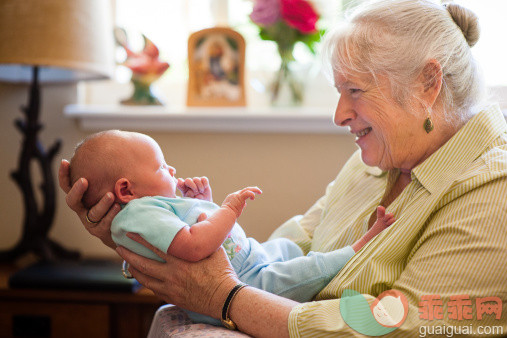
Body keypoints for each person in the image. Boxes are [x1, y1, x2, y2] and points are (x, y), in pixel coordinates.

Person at [60, 0, 507, 336]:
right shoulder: (375, 163)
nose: (339, 115)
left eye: (354, 90)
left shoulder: (493, 191)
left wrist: (224, 299)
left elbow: (395, 326)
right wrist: (140, 228)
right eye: (337, 91)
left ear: (428, 83)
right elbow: (277, 254)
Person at [68, 130, 394, 324]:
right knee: (304, 270)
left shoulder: (148, 209)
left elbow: (191, 228)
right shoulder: (140, 214)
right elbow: (195, 245)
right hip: (243, 281)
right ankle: (356, 250)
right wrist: (228, 208)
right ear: (126, 190)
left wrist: (202, 203)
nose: (172, 169)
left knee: (284, 248)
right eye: (161, 167)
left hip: (250, 257)